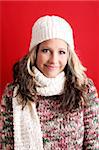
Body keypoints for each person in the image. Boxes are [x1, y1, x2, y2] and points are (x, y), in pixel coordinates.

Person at [0, 15, 99, 150]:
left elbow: (93, 144)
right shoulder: (14, 93)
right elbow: (6, 145)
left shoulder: (84, 89)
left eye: (61, 52)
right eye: (46, 51)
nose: (54, 60)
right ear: (35, 52)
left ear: (69, 55)